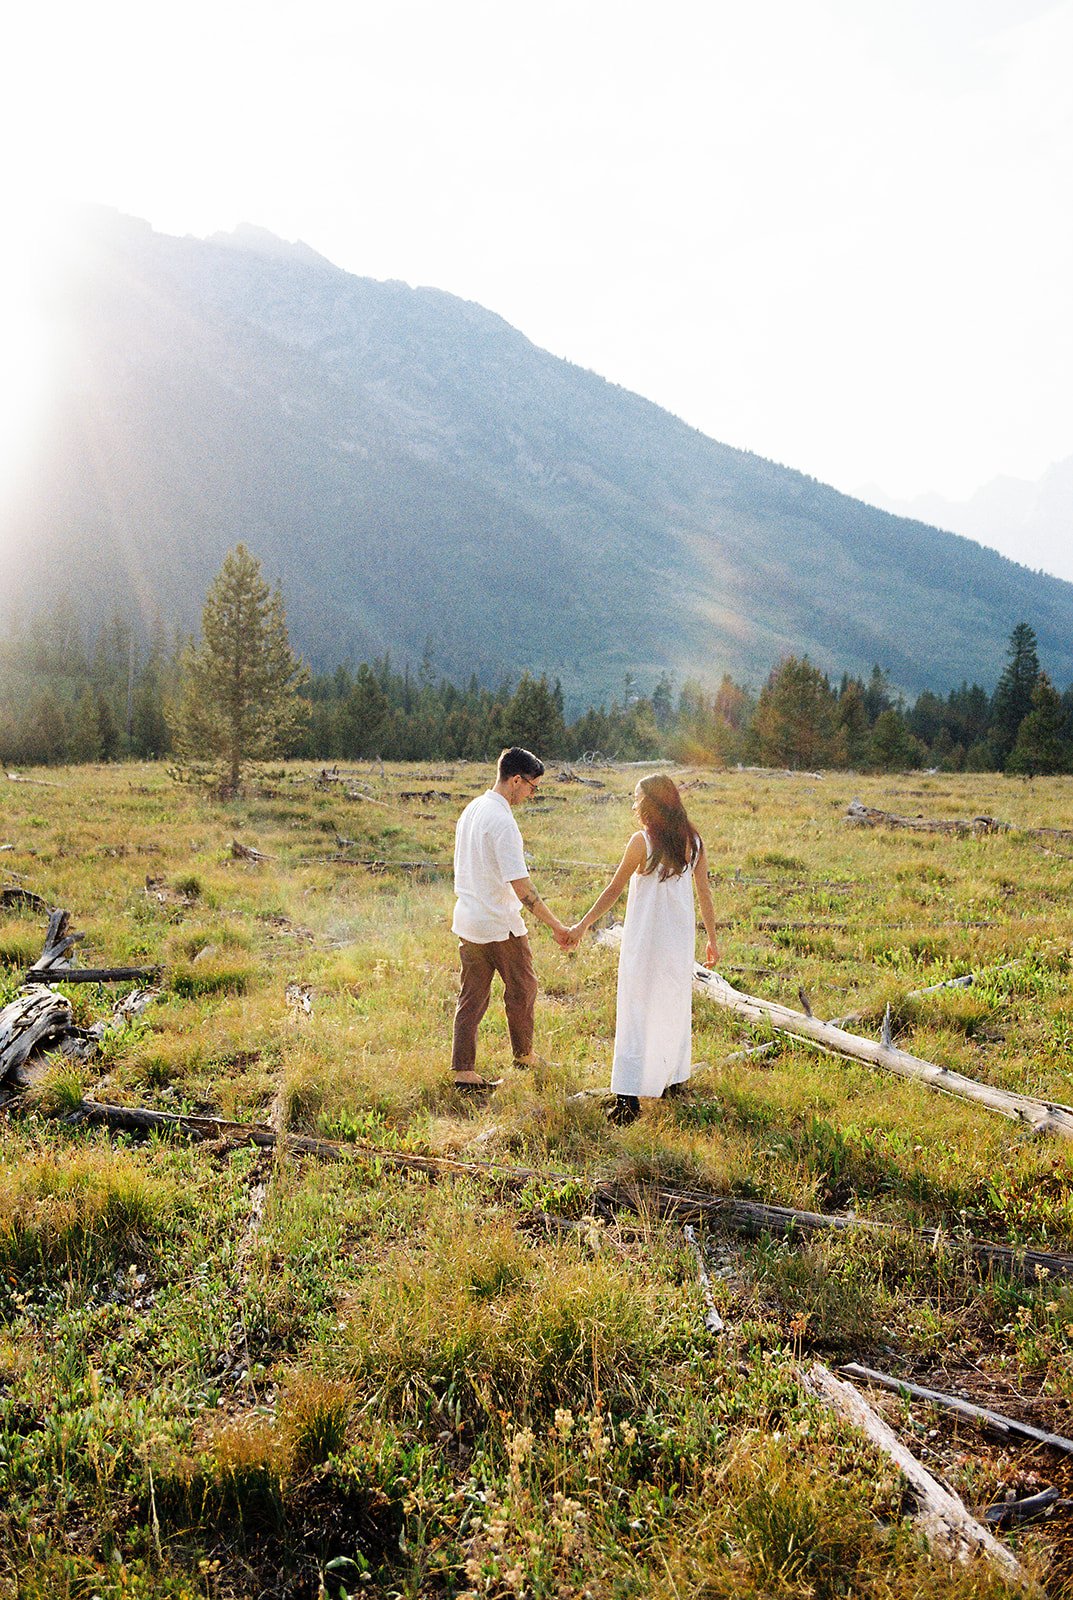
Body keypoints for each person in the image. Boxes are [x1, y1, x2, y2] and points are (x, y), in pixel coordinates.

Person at [568, 774, 718, 1124]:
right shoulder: (693, 841)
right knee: (672, 1006)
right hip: (678, 940)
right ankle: (670, 1080)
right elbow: (705, 893)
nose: (634, 804)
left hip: (646, 941)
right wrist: (711, 939)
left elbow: (613, 890)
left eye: (637, 798)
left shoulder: (642, 842)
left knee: (636, 1011)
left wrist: (581, 926)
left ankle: (627, 1100)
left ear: (651, 803)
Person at [451, 746, 573, 1092]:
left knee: (472, 996)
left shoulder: (473, 808)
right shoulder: (503, 821)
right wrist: (558, 926)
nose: (532, 794)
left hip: (469, 919)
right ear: (515, 780)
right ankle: (524, 1055)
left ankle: (463, 1069)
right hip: (498, 923)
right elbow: (522, 888)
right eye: (532, 787)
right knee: (523, 989)